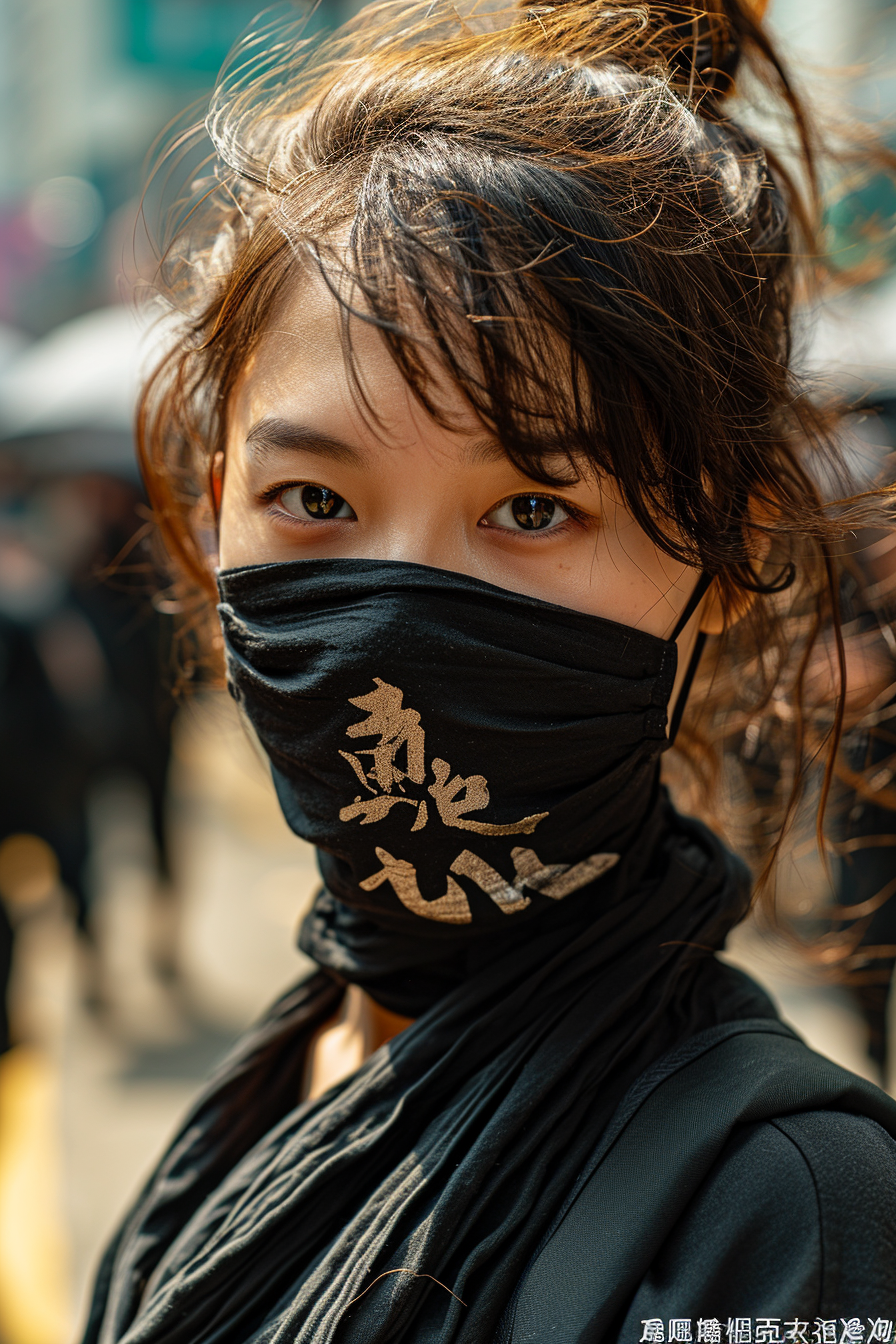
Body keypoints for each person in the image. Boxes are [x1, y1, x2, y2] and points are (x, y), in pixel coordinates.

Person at [82, 2, 896, 1340]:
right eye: (314, 500)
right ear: (217, 499)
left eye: (532, 510)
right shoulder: (288, 1069)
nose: (399, 609)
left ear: (723, 556)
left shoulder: (781, 1216)